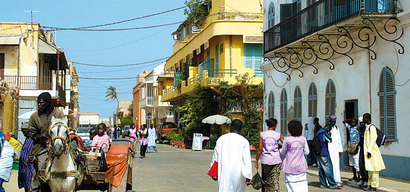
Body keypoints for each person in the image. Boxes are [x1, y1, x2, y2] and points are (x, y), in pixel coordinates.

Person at [28, 92, 65, 192]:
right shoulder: (34, 117)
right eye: (38, 103)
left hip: (59, 143)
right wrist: (41, 137)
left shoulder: (58, 114)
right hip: (41, 147)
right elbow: (31, 133)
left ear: (48, 103)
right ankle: (36, 187)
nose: (39, 105)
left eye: (41, 103)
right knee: (41, 167)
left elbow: (63, 127)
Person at [210, 119, 252, 192]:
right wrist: (248, 175)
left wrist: (214, 172)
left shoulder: (221, 139)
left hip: (224, 171)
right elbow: (246, 159)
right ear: (240, 129)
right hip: (238, 173)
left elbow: (216, 157)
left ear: (231, 127)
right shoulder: (244, 141)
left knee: (224, 188)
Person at [255, 118, 283, 192]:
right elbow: (285, 144)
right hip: (276, 160)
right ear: (275, 126)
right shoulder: (278, 135)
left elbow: (260, 149)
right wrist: (278, 145)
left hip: (265, 160)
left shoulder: (262, 134)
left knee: (265, 180)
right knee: (275, 179)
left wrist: (256, 160)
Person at [281, 120, 309, 192]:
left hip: (290, 166)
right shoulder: (303, 139)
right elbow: (307, 152)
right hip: (301, 166)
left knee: (291, 186)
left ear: (289, 129)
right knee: (302, 186)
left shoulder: (287, 139)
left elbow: (283, 151)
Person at [362, 113, 385, 191]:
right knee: (370, 169)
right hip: (368, 152)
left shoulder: (372, 127)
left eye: (364, 118)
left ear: (367, 118)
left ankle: (374, 186)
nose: (363, 120)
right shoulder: (367, 127)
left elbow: (373, 139)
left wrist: (369, 151)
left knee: (374, 169)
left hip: (372, 152)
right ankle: (370, 184)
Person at [316, 124, 341, 189]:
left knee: (321, 169)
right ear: (327, 128)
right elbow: (329, 140)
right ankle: (332, 184)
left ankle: (323, 184)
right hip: (324, 152)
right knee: (328, 169)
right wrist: (329, 135)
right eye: (329, 129)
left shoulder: (318, 132)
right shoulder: (323, 133)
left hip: (318, 153)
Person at [328, 115, 343, 187]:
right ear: (329, 121)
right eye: (332, 122)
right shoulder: (327, 128)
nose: (333, 123)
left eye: (334, 122)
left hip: (336, 149)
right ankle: (329, 181)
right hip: (329, 149)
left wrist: (340, 150)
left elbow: (339, 139)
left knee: (336, 165)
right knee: (330, 165)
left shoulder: (337, 128)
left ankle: (337, 180)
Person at [344, 117, 361, 182]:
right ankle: (354, 176)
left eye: (353, 122)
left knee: (356, 162)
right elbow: (344, 121)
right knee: (351, 162)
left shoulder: (358, 127)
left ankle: (359, 176)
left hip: (356, 146)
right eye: (351, 122)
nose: (352, 123)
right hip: (350, 146)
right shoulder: (350, 128)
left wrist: (356, 119)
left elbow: (361, 121)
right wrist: (351, 118)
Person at [18, 125, 34, 192]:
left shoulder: (33, 140)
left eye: (25, 131)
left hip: (30, 168)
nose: (24, 133)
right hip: (23, 168)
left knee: (29, 186)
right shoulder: (26, 140)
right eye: (22, 131)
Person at [358, 117, 369, 188]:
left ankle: (366, 180)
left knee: (365, 166)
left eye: (362, 122)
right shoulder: (360, 128)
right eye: (360, 123)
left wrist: (360, 132)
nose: (362, 124)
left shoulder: (366, 129)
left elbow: (365, 137)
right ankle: (363, 179)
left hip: (366, 149)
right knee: (361, 165)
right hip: (361, 149)